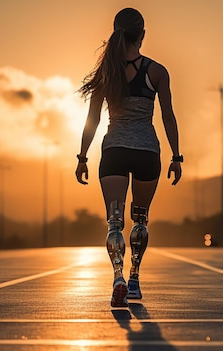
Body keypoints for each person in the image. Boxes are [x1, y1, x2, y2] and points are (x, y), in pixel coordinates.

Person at [75, 7, 183, 307]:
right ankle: (135, 279)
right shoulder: (157, 71)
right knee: (140, 220)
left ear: (115, 33)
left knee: (114, 223)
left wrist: (82, 156)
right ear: (143, 35)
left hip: (114, 152)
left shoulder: (107, 71)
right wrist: (177, 156)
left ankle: (118, 277)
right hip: (147, 152)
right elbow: (168, 117)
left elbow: (92, 118)